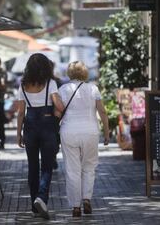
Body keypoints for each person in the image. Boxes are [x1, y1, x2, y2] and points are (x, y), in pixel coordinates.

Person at [58, 61, 110, 217]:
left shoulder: (63, 89)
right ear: (85, 73)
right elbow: (102, 112)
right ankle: (86, 198)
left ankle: (75, 206)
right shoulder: (93, 89)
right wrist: (107, 133)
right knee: (89, 166)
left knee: (72, 170)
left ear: (69, 73)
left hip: (69, 132)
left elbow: (57, 112)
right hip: (90, 132)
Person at [16, 53, 65, 220]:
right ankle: (41, 198)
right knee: (47, 165)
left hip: (29, 126)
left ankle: (34, 207)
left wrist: (18, 134)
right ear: (46, 67)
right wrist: (61, 107)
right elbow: (58, 105)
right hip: (47, 125)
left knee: (32, 167)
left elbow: (21, 112)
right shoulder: (50, 83)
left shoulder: (22, 85)